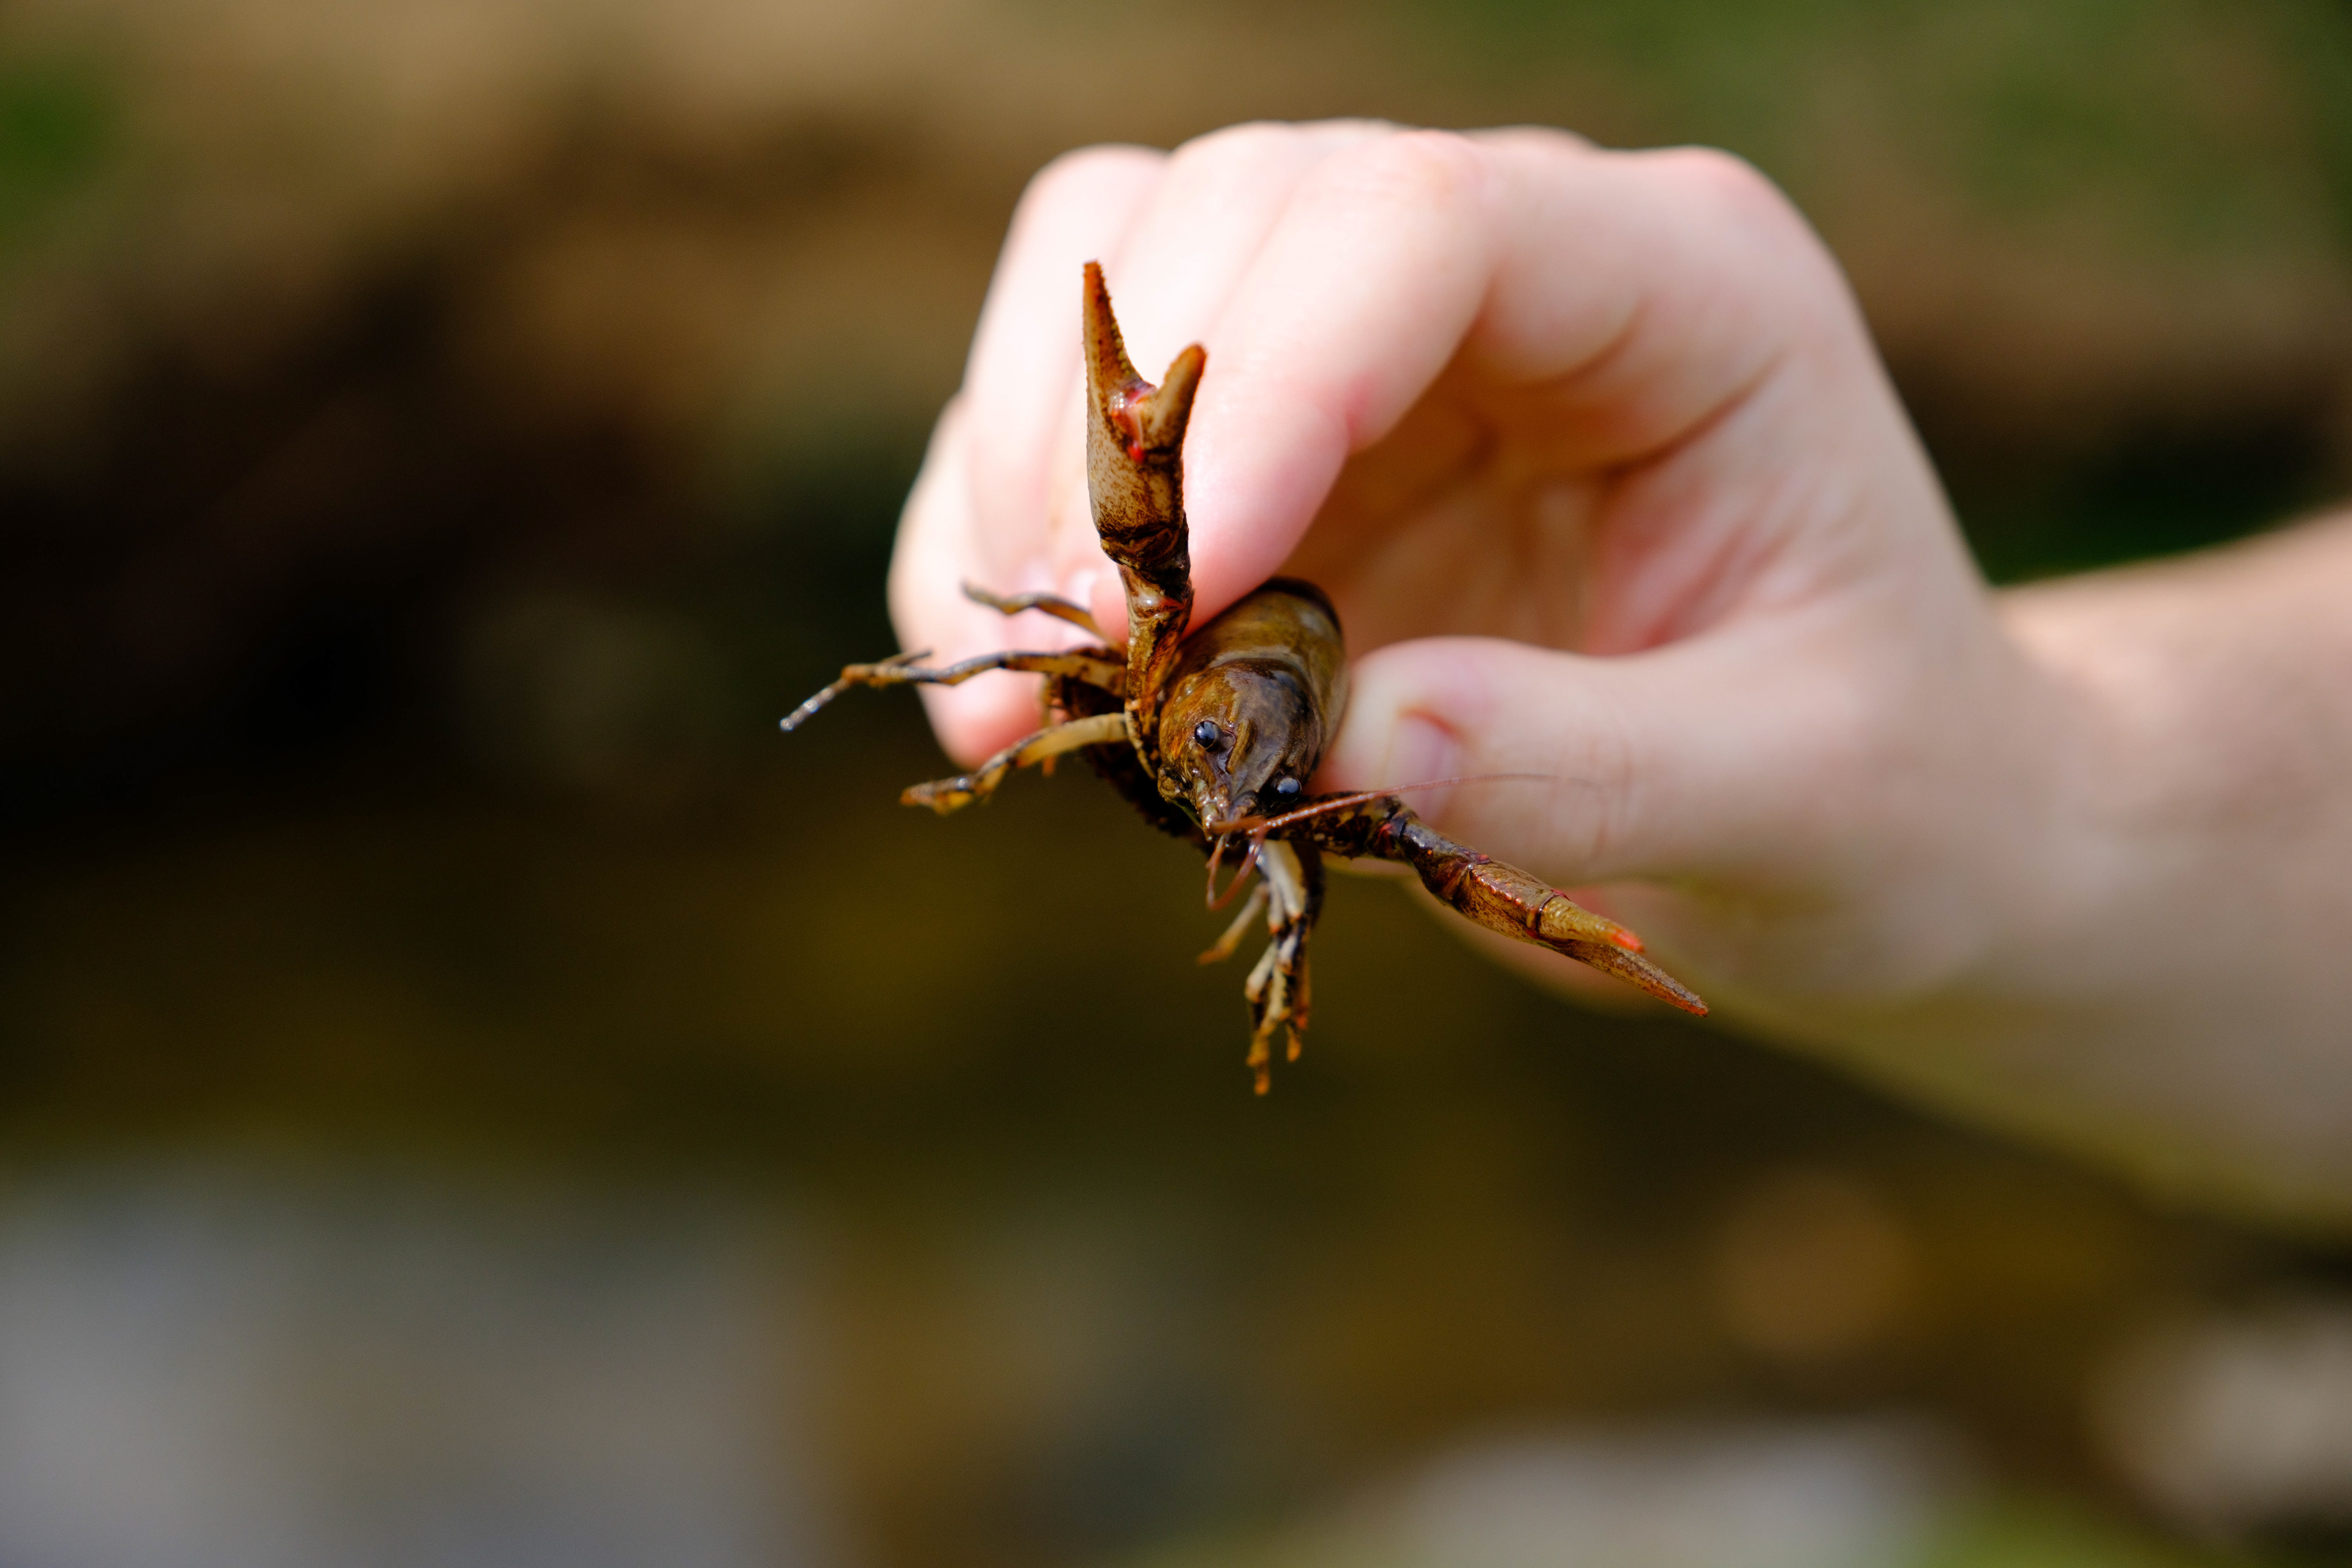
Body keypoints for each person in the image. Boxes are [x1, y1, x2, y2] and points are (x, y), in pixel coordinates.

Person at [886, 121, 2352, 1224]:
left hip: (1292, 672)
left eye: (1249, 800)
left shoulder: (1288, 809)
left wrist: (2028, 785)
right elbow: (1056, 659)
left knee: (1358, 830)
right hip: (1243, 656)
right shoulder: (1162, 686)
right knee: (1070, 647)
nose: (1237, 821)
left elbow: (1314, 858)